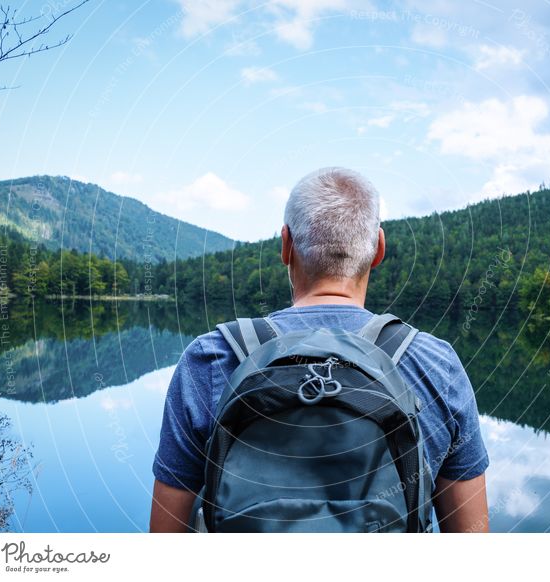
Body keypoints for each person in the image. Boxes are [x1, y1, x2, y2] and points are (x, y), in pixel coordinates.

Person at [150, 167, 489, 533]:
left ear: (285, 245)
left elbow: (165, 538)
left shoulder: (211, 358)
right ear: (378, 249)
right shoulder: (436, 364)